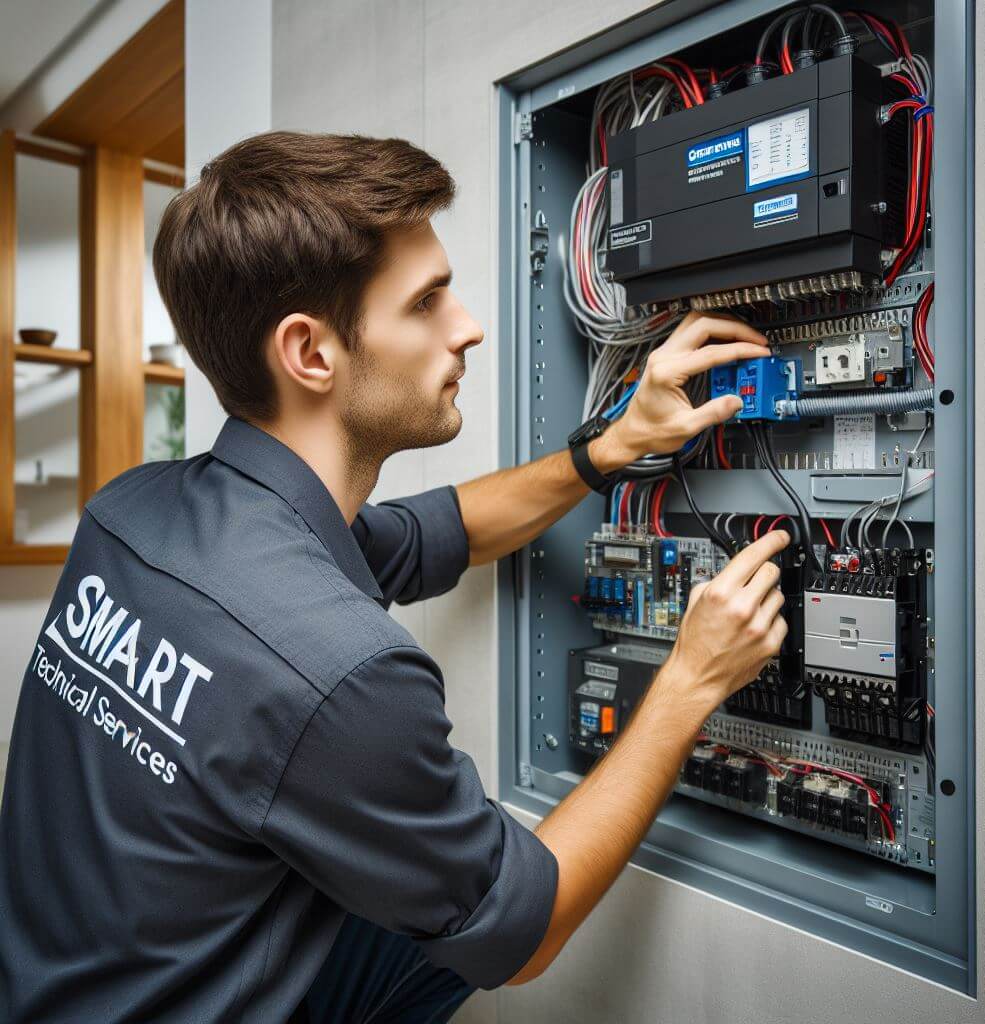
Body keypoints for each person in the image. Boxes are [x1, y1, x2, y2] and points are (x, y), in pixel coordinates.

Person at [0, 132, 789, 1023]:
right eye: (426, 302)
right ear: (310, 353)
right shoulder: (341, 672)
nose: (468, 326)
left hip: (54, 984)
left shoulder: (132, 512)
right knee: (465, 898)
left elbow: (433, 532)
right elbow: (524, 933)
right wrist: (691, 681)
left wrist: (608, 449)